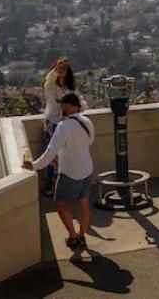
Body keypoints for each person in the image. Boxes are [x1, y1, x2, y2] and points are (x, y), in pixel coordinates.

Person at [24, 93, 95, 250]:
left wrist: (34, 166)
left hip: (71, 172)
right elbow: (89, 141)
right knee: (83, 202)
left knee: (60, 203)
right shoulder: (87, 121)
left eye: (64, 104)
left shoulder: (64, 127)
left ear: (72, 106)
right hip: (87, 168)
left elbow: (51, 151)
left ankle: (73, 237)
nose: (61, 107)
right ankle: (82, 235)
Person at [41, 57, 86, 195]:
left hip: (68, 125)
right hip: (53, 124)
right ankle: (52, 186)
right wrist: (57, 68)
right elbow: (48, 81)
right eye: (59, 69)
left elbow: (80, 102)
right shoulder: (51, 87)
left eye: (64, 69)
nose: (62, 71)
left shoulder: (71, 88)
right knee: (52, 156)